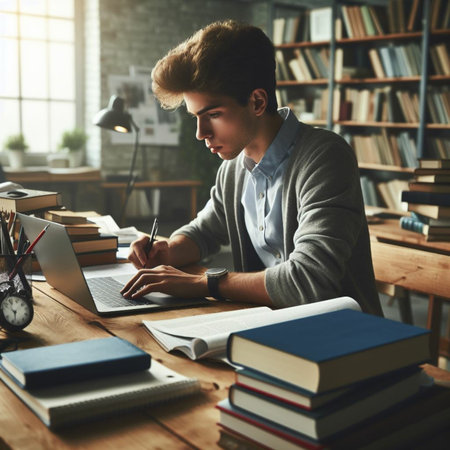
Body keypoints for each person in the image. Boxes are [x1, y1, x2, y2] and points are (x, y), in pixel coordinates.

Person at [121, 20, 383, 316]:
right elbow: (204, 232)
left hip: (344, 338)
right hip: (271, 326)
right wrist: (166, 250)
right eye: (195, 117)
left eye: (214, 114)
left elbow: (309, 282)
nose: (200, 133)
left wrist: (203, 282)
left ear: (257, 101)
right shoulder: (233, 169)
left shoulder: (326, 157)